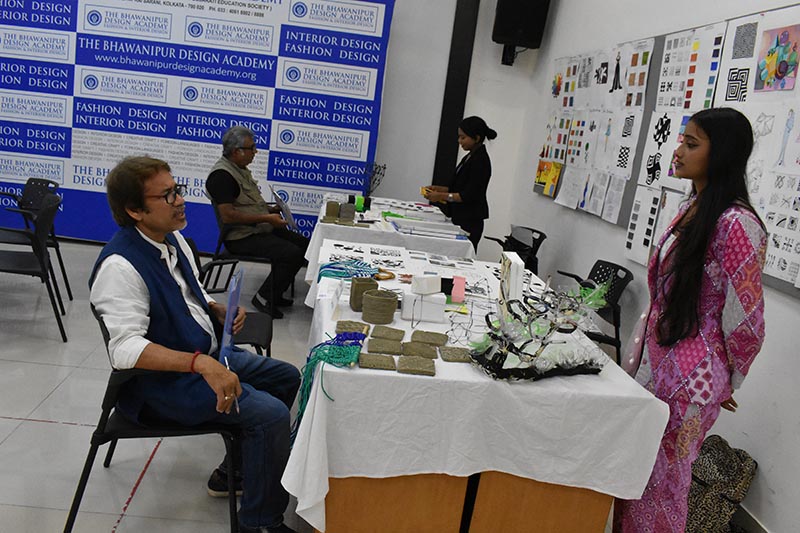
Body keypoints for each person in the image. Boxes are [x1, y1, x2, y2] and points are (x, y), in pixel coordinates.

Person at [89, 156, 301, 533]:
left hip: (205, 356)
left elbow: (193, 293)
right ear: (135, 210)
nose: (180, 200)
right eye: (167, 195)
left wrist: (216, 309)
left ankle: (236, 470)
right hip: (159, 387)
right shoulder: (120, 267)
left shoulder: (172, 240)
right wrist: (200, 364)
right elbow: (123, 350)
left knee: (286, 377)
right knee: (270, 414)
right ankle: (259, 523)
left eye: (178, 190)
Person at [614, 108, 767, 532]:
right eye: (682, 140)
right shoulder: (692, 207)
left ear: (723, 154)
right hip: (658, 365)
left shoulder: (738, 225)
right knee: (635, 475)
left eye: (692, 143)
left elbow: (747, 319)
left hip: (692, 382)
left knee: (663, 489)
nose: (678, 151)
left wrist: (730, 377)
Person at [206, 125, 309, 319]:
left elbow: (246, 205)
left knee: (304, 245)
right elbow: (228, 216)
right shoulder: (221, 176)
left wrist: (270, 210)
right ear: (236, 151)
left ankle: (276, 292)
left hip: (258, 227)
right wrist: (266, 218)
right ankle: (264, 297)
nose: (255, 151)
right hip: (240, 236)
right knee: (291, 253)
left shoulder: (240, 169)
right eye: (251, 148)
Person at [422, 115, 497, 251]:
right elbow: (457, 187)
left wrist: (440, 196)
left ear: (476, 138)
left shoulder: (480, 161)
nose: (459, 141)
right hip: (459, 216)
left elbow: (467, 195)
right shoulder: (469, 157)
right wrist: (438, 189)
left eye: (463, 138)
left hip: (470, 220)